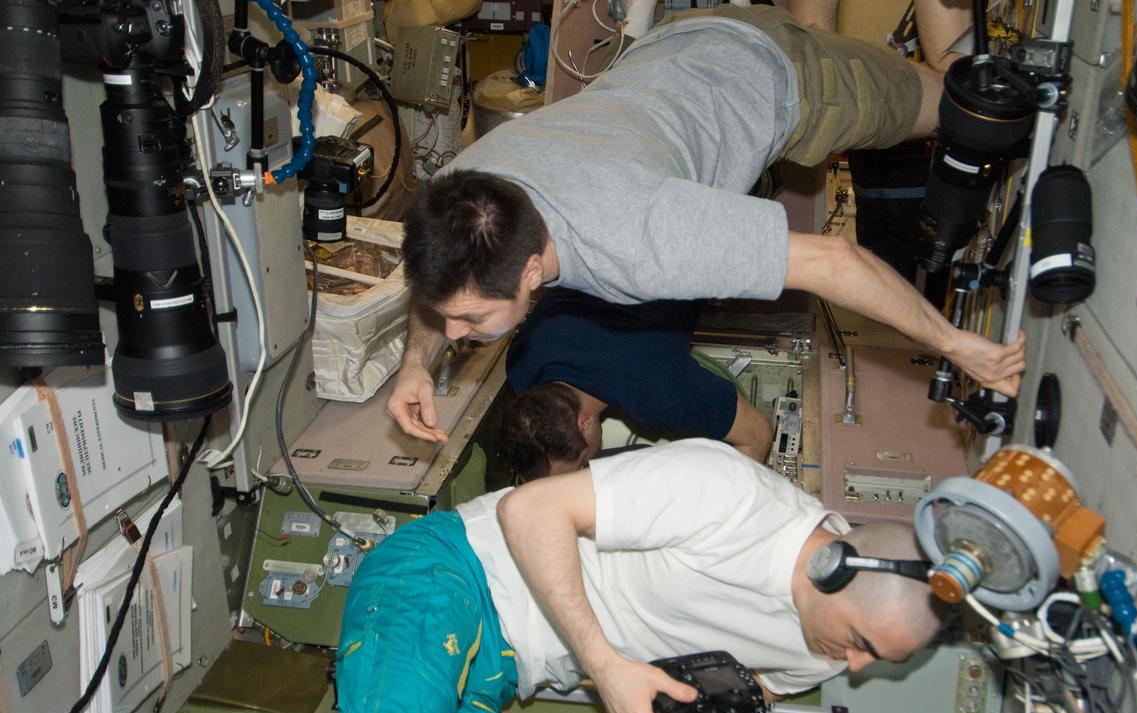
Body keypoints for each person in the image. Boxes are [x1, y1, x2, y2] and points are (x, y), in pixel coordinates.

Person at [122, 439, 943, 713]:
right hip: (451, 576)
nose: (856, 668)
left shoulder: (820, 651)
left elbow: (746, 692)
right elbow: (529, 512)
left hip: (498, 671)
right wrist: (608, 669)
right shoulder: (725, 491)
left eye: (880, 663)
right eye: (867, 643)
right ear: (836, 565)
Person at [387, 3, 1026, 444]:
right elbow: (437, 286)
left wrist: (953, 344)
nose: (457, 333)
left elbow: (836, 262)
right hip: (672, 45)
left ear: (531, 270)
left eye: (471, 321)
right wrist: (416, 364)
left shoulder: (640, 240)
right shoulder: (463, 195)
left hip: (784, 76)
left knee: (960, 105)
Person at [499, 287, 773, 481]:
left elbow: (758, 434)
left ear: (585, 423)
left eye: (582, 464)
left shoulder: (655, 392)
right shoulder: (522, 362)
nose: (585, 472)